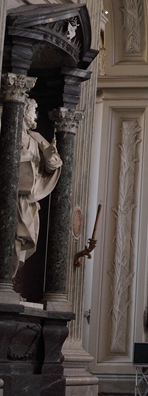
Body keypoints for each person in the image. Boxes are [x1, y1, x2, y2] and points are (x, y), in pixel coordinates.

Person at [17, 97, 62, 271]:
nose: (34, 115)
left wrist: (50, 156)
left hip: (28, 199)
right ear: (23, 112)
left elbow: (53, 165)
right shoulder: (7, 133)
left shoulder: (36, 139)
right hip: (9, 196)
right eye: (32, 111)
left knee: (22, 241)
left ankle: (7, 281)